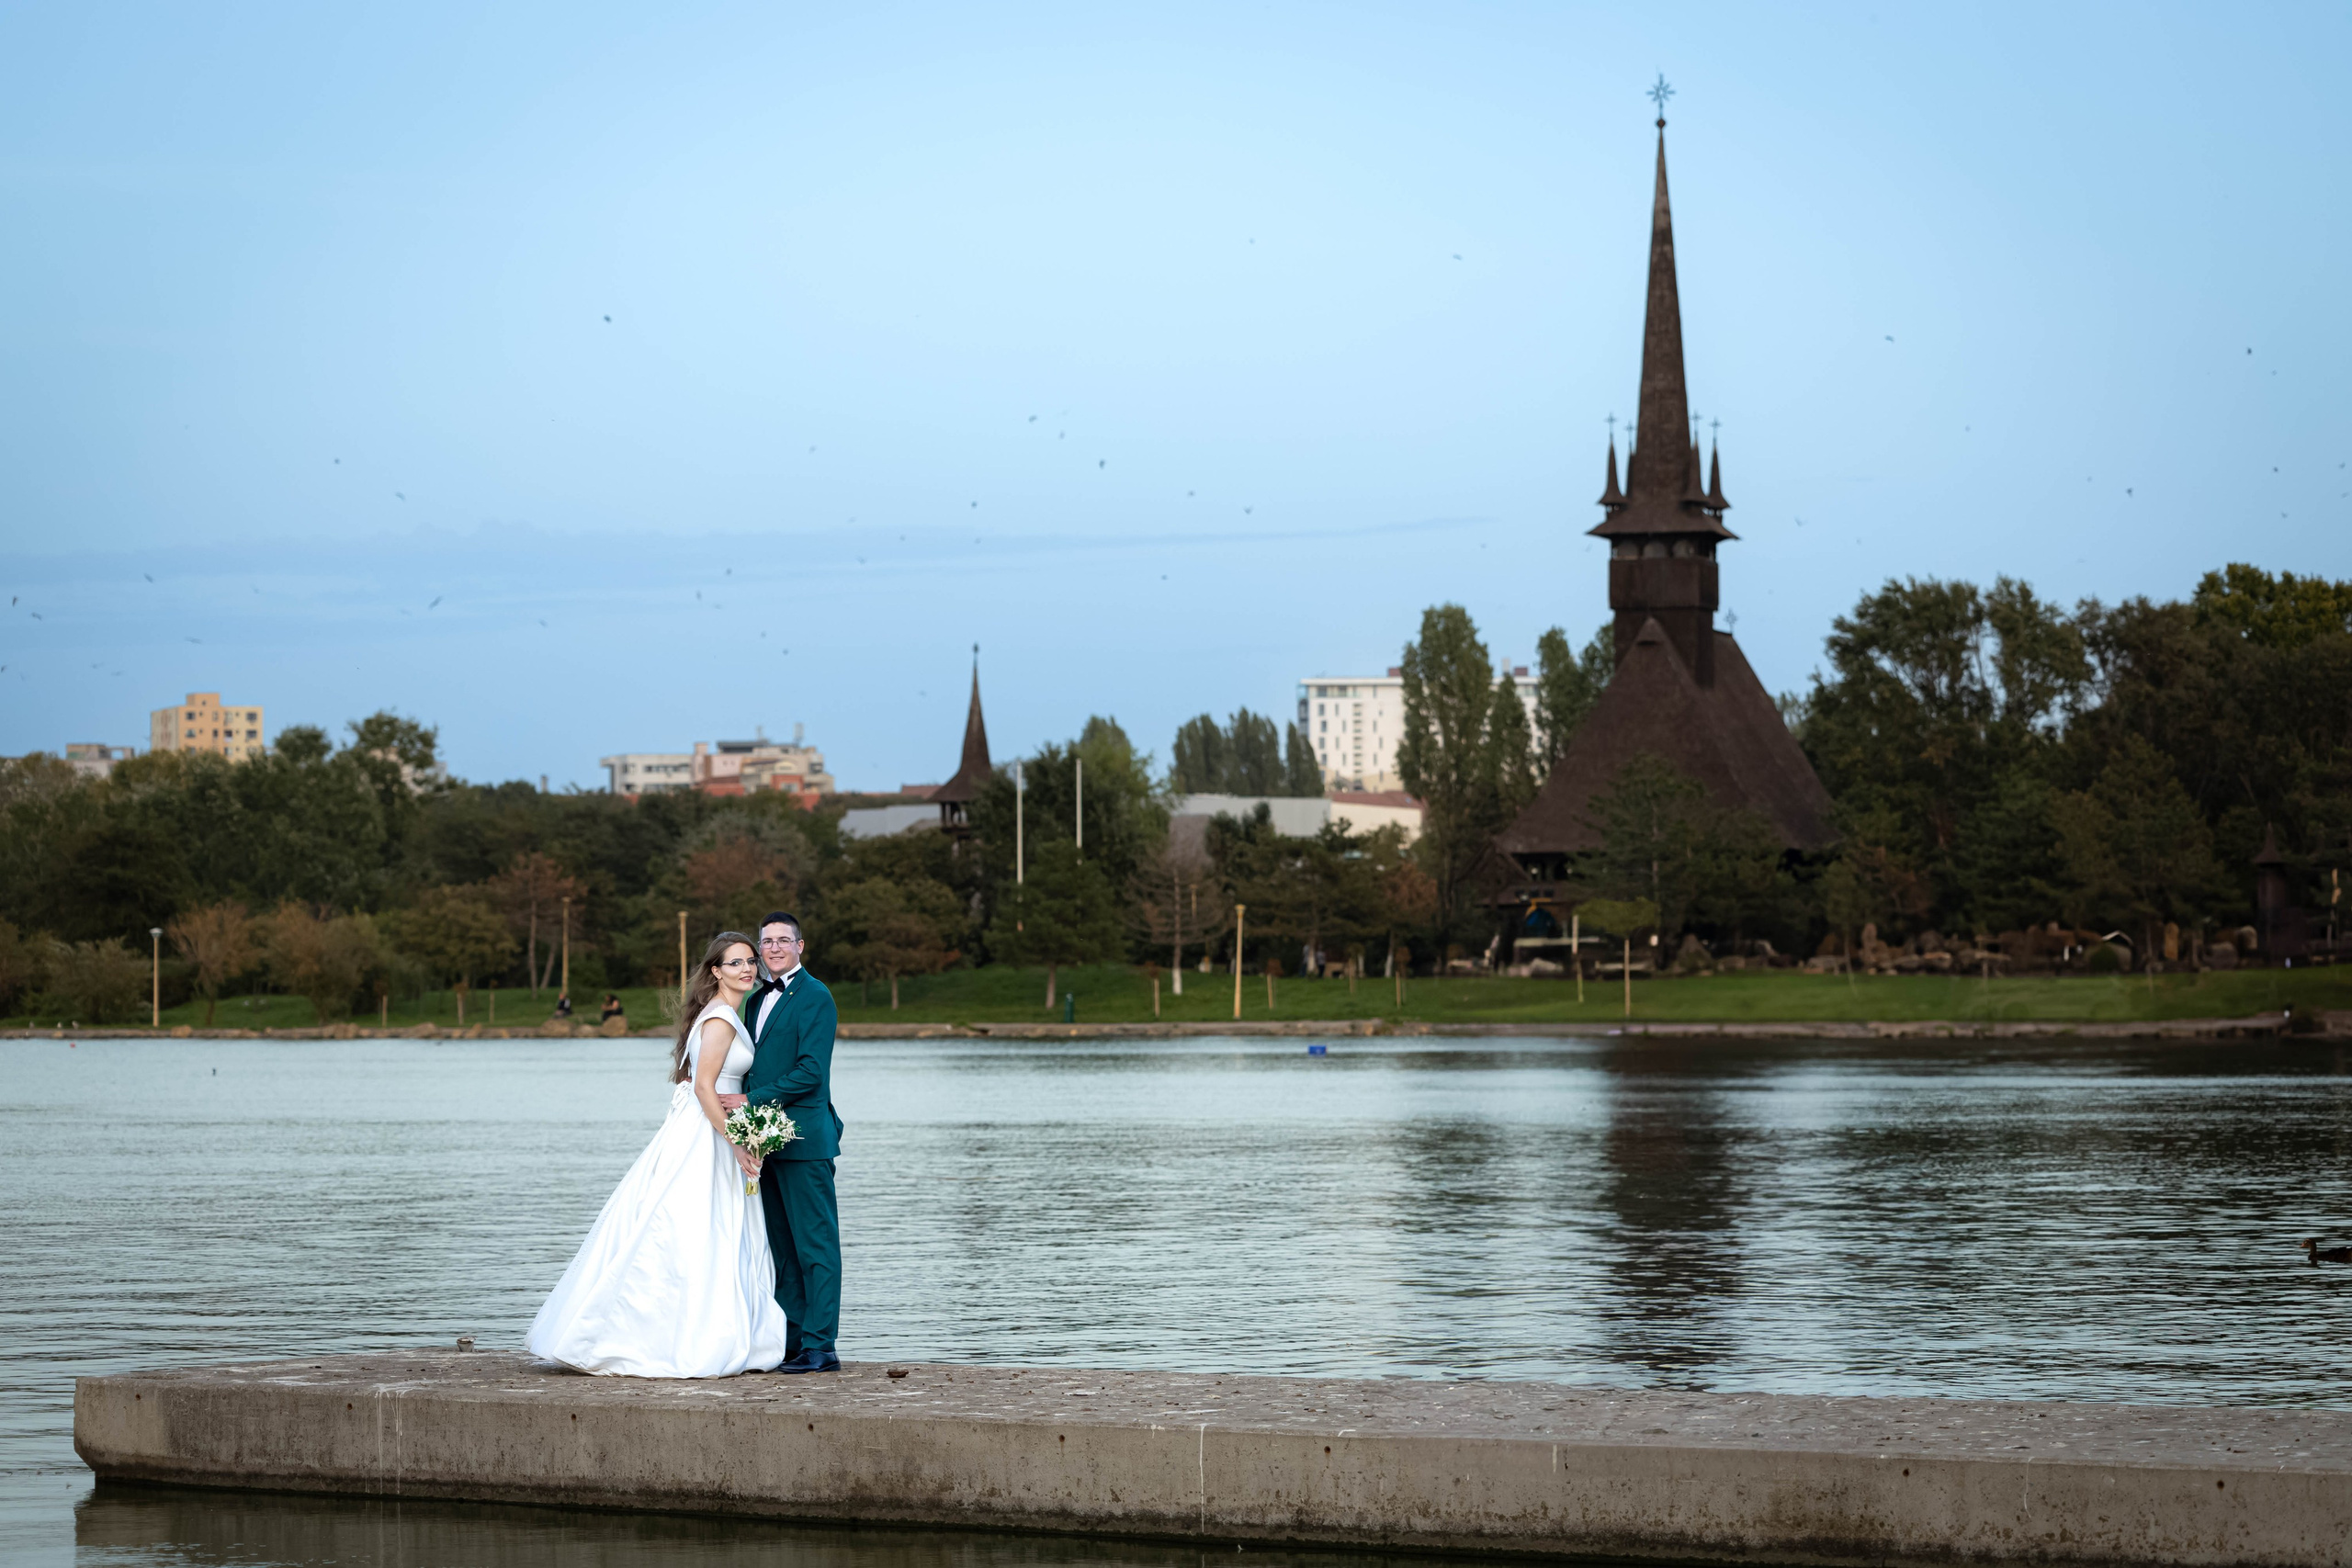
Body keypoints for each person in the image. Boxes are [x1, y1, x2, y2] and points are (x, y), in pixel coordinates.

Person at [526, 932, 790, 1377]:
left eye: (750, 961)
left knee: (694, 1227)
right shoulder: (722, 1019)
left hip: (705, 1126)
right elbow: (705, 1086)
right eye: (735, 963)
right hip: (709, 1134)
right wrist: (737, 1141)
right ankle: (671, 1339)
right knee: (695, 1229)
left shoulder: (717, 1014)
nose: (747, 969)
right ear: (715, 971)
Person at [717, 910, 844, 1373]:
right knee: (781, 1248)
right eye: (765, 941)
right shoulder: (753, 1000)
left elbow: (811, 1071)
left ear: (800, 946)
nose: (772, 948)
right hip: (765, 1140)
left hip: (806, 1138)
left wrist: (749, 1098)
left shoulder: (816, 997)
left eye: (782, 940)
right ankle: (790, 1341)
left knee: (816, 1246)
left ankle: (821, 1345)